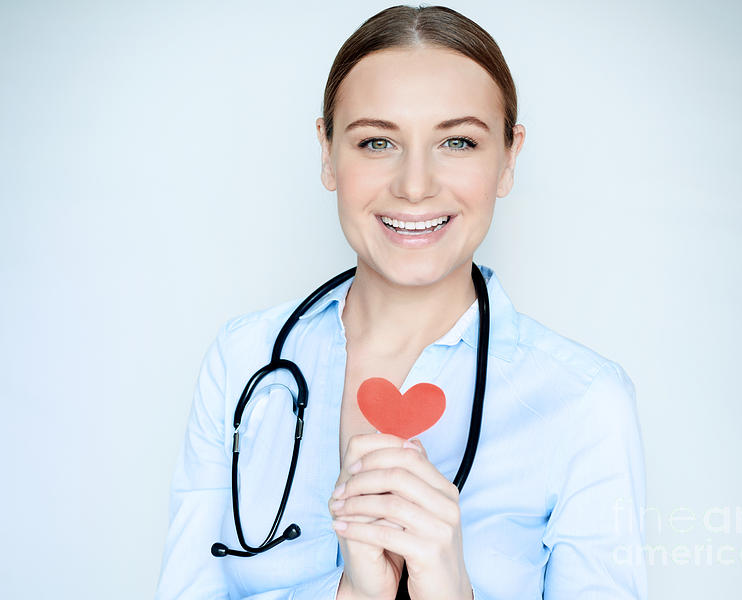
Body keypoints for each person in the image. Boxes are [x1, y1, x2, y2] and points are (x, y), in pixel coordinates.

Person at [155, 5, 647, 599]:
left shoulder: (585, 402)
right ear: (327, 150)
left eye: (458, 141)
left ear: (509, 158)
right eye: (377, 141)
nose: (415, 185)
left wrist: (448, 589)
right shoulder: (244, 360)